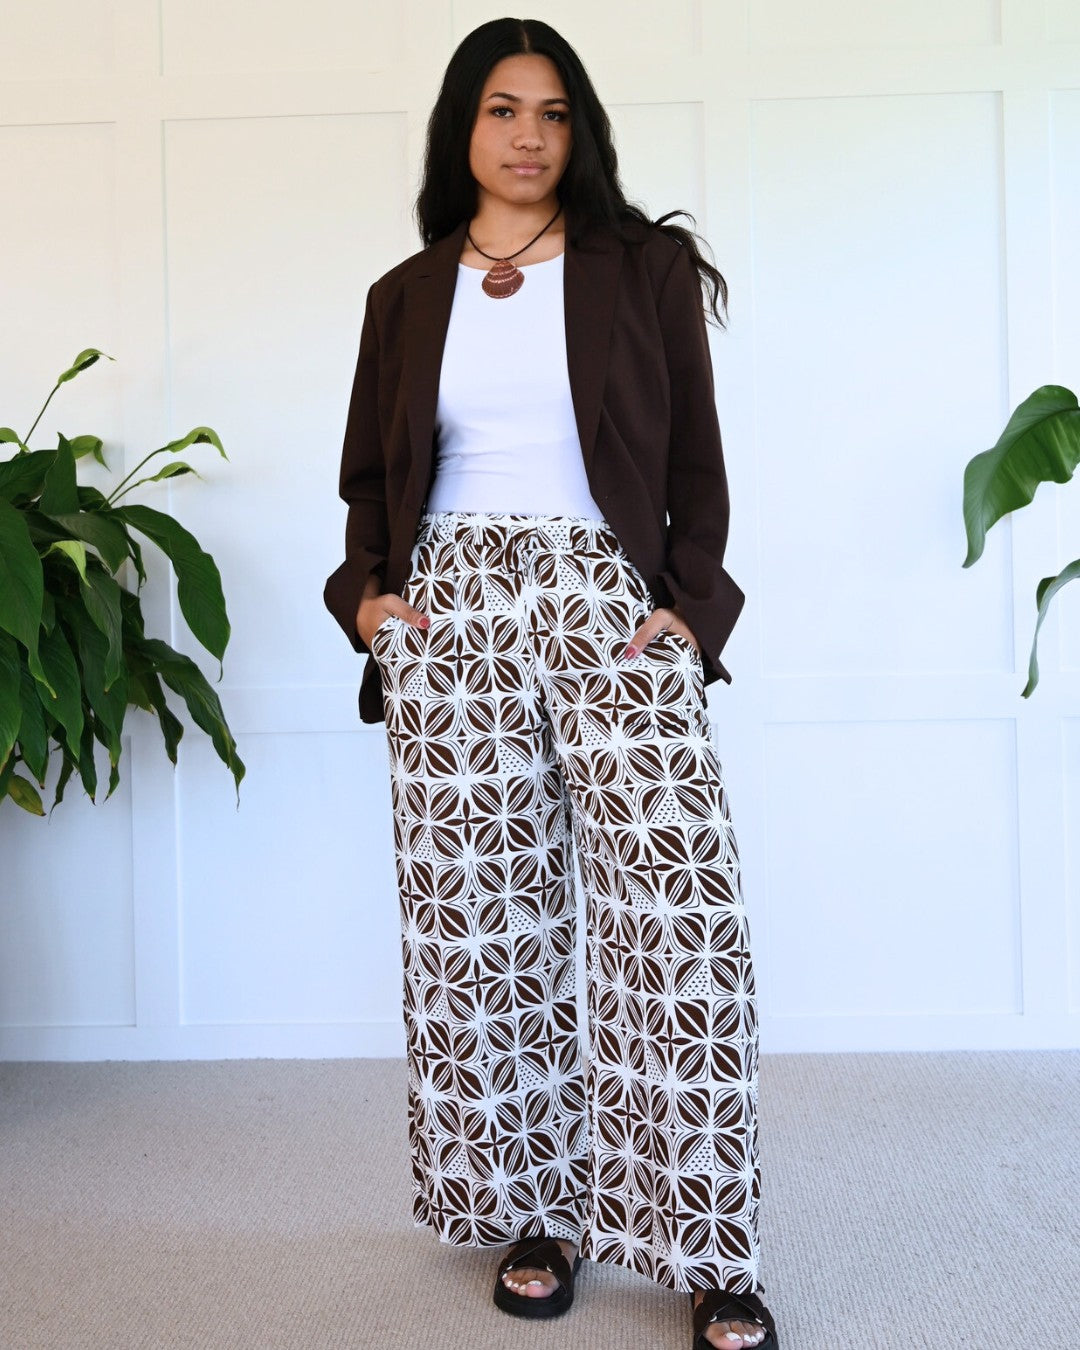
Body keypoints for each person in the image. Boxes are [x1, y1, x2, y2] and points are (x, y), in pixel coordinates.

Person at [324, 17, 778, 1350]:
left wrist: (690, 609)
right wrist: (371, 603)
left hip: (607, 600)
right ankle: (538, 1211)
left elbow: (695, 462)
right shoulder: (405, 295)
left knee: (679, 919)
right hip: (452, 609)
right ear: (460, 128)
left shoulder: (644, 268)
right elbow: (370, 480)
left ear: (582, 132)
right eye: (503, 109)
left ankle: (709, 1243)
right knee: (487, 926)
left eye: (555, 113)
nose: (529, 136)